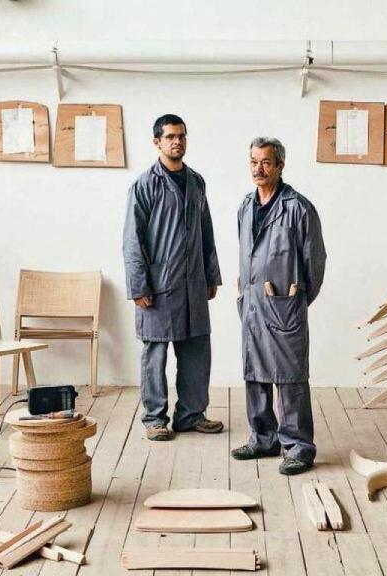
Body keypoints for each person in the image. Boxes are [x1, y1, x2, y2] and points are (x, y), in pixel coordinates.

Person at [123, 114, 223, 441]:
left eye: (181, 136)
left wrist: (211, 275)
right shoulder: (144, 185)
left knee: (197, 351)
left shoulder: (196, 182)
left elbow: (206, 232)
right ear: (157, 142)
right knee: (155, 354)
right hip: (158, 286)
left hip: (193, 283)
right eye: (169, 137)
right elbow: (132, 240)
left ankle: (191, 415)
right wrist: (139, 286)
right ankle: (155, 419)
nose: (176, 141)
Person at [230, 137, 327, 475]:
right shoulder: (245, 206)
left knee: (289, 376)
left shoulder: (299, 208)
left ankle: (299, 447)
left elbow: (315, 262)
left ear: (280, 165)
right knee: (254, 372)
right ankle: (263, 438)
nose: (259, 168)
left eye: (266, 162)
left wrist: (295, 301)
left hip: (284, 304)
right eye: (254, 161)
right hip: (253, 303)